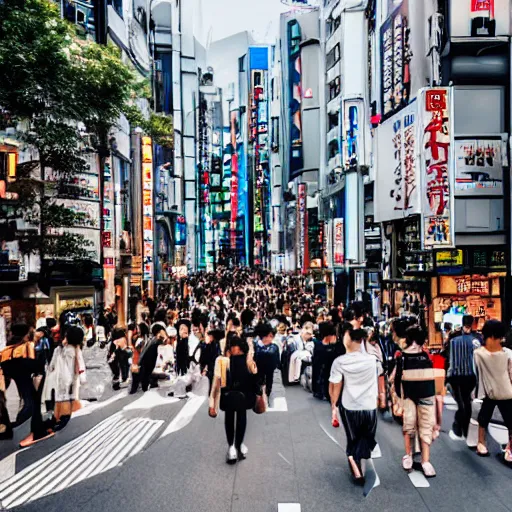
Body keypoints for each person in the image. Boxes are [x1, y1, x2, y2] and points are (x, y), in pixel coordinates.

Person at [329, 328, 379, 483]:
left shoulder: (340, 361)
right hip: (370, 405)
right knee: (367, 436)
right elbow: (380, 375)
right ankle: (361, 460)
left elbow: (335, 385)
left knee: (353, 437)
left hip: (350, 406)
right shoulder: (372, 360)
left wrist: (333, 406)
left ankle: (355, 463)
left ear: (349, 340)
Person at [392, 325, 437, 477]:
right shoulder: (427, 356)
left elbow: (397, 380)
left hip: (409, 395)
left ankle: (408, 455)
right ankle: (426, 461)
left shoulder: (402, 357)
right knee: (425, 428)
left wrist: (398, 399)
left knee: (408, 425)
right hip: (427, 394)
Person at [208, 335, 258, 463]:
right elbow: (255, 376)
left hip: (231, 395)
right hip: (240, 396)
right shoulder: (230, 361)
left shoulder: (226, 360)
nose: (232, 348)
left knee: (233, 419)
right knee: (239, 419)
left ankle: (233, 448)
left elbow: (216, 383)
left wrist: (212, 404)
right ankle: (237, 446)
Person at [473, 320, 512, 462]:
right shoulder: (505, 353)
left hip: (500, 392)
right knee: (489, 417)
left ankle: (482, 443)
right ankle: (485, 443)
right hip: (497, 392)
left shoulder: (480, 354)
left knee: (486, 417)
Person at [42, 325, 86, 431]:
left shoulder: (64, 350)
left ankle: (61, 418)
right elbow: (81, 366)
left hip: (64, 379)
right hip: (66, 379)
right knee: (65, 398)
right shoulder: (72, 350)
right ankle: (61, 418)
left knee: (64, 398)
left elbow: (52, 365)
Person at [445, 314, 479, 441]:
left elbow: (450, 359)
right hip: (470, 376)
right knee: (466, 403)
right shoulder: (476, 339)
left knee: (462, 404)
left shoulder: (454, 338)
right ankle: (464, 430)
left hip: (457, 376)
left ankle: (459, 428)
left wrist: (448, 376)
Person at [253, 323, 279, 399]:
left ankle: (267, 393)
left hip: (270, 368)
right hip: (258, 369)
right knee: (258, 381)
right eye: (268, 336)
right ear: (263, 336)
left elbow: (277, 359)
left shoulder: (274, 346)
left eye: (271, 336)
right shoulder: (255, 346)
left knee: (269, 381)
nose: (270, 338)